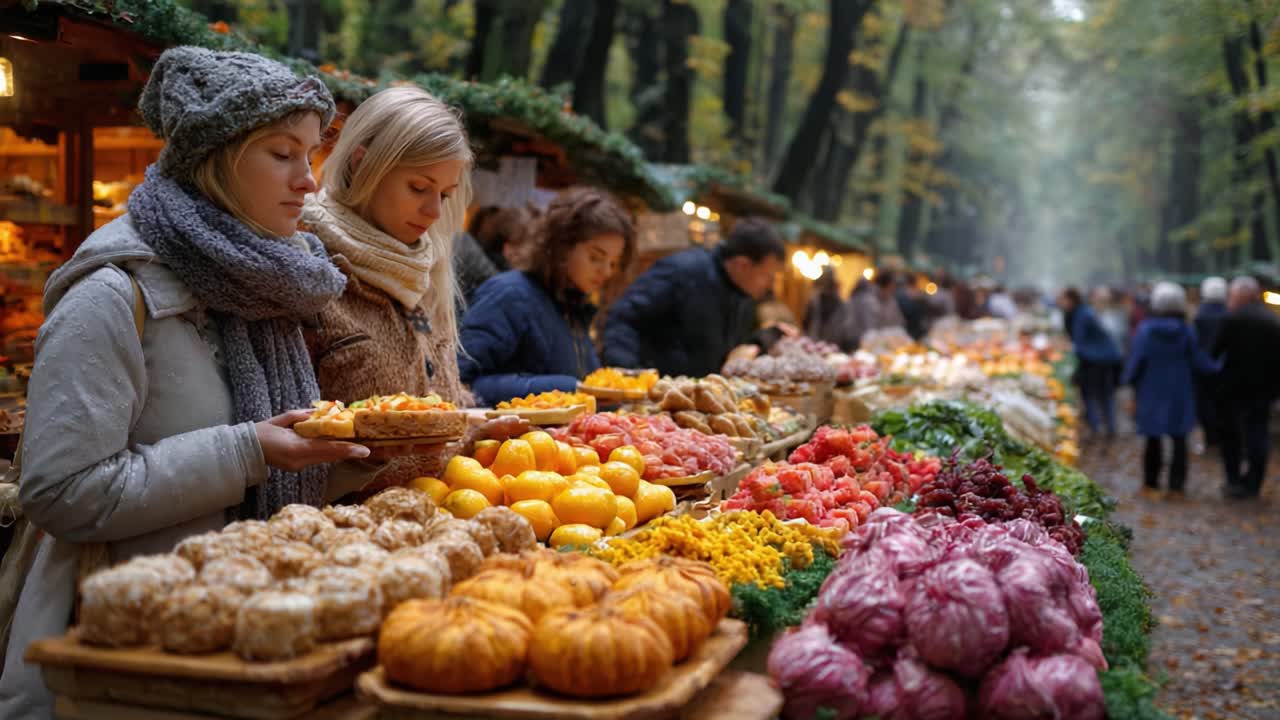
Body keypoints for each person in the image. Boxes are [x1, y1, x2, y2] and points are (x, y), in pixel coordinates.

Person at [0, 48, 379, 717]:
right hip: (126, 666)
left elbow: (258, 475)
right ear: (217, 157)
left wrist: (363, 455)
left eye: (312, 154)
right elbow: (60, 492)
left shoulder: (262, 285)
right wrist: (249, 451)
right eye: (282, 153)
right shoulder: (111, 292)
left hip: (242, 652)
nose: (309, 182)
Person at [300, 86, 476, 486]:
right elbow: (280, 455)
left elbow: (437, 407)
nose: (433, 212)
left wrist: (480, 430)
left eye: (445, 195)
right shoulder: (306, 273)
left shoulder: (422, 267)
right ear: (364, 165)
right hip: (342, 539)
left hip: (442, 526)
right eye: (418, 187)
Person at [460, 188, 634, 406]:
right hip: (509, 439)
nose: (606, 271)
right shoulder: (509, 294)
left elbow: (586, 389)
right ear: (562, 246)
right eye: (596, 257)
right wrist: (565, 387)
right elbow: (462, 381)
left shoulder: (575, 305)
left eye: (613, 263)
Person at [601, 217, 784, 376]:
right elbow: (623, 318)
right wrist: (631, 377)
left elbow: (729, 353)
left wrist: (765, 338)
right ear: (742, 264)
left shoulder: (743, 297)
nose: (770, 285)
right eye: (767, 276)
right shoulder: (682, 271)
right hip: (654, 402)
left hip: (698, 406)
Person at [1123, 282, 1219, 498]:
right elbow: (1198, 360)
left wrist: (1129, 380)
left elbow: (1137, 360)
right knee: (1179, 439)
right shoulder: (1186, 330)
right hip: (1180, 389)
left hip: (1151, 389)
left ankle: (1151, 484)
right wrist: (1219, 366)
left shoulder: (1146, 330)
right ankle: (1177, 486)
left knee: (1152, 438)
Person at [1213, 276, 1280, 499]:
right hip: (1263, 389)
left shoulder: (1232, 319)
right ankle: (1253, 484)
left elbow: (1215, 351)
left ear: (1240, 295)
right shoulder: (1271, 319)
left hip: (1233, 389)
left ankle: (1234, 479)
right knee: (1257, 436)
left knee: (1231, 435)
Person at [1059, 287, 1123, 437]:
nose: (1061, 303)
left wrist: (1067, 348)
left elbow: (1078, 340)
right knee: (1105, 393)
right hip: (1104, 357)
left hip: (1094, 359)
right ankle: (1110, 426)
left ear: (1071, 299)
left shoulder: (1081, 314)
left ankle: (1097, 427)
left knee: (1090, 393)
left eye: (1063, 299)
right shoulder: (1084, 311)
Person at [1193, 277, 1229, 448]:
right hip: (1225, 369)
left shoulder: (1199, 316)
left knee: (1206, 404)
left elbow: (1195, 345)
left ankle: (1211, 437)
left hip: (1203, 370)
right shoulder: (1229, 315)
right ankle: (1222, 436)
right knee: (1222, 403)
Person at [845, 271, 905, 349]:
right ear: (887, 285)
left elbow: (898, 321)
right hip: (860, 344)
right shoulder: (868, 301)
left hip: (880, 344)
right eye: (892, 287)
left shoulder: (890, 300)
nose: (893, 290)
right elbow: (868, 330)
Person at [804, 271, 847, 346]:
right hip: (832, 340)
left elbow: (806, 321)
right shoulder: (840, 302)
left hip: (815, 337)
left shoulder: (815, 299)